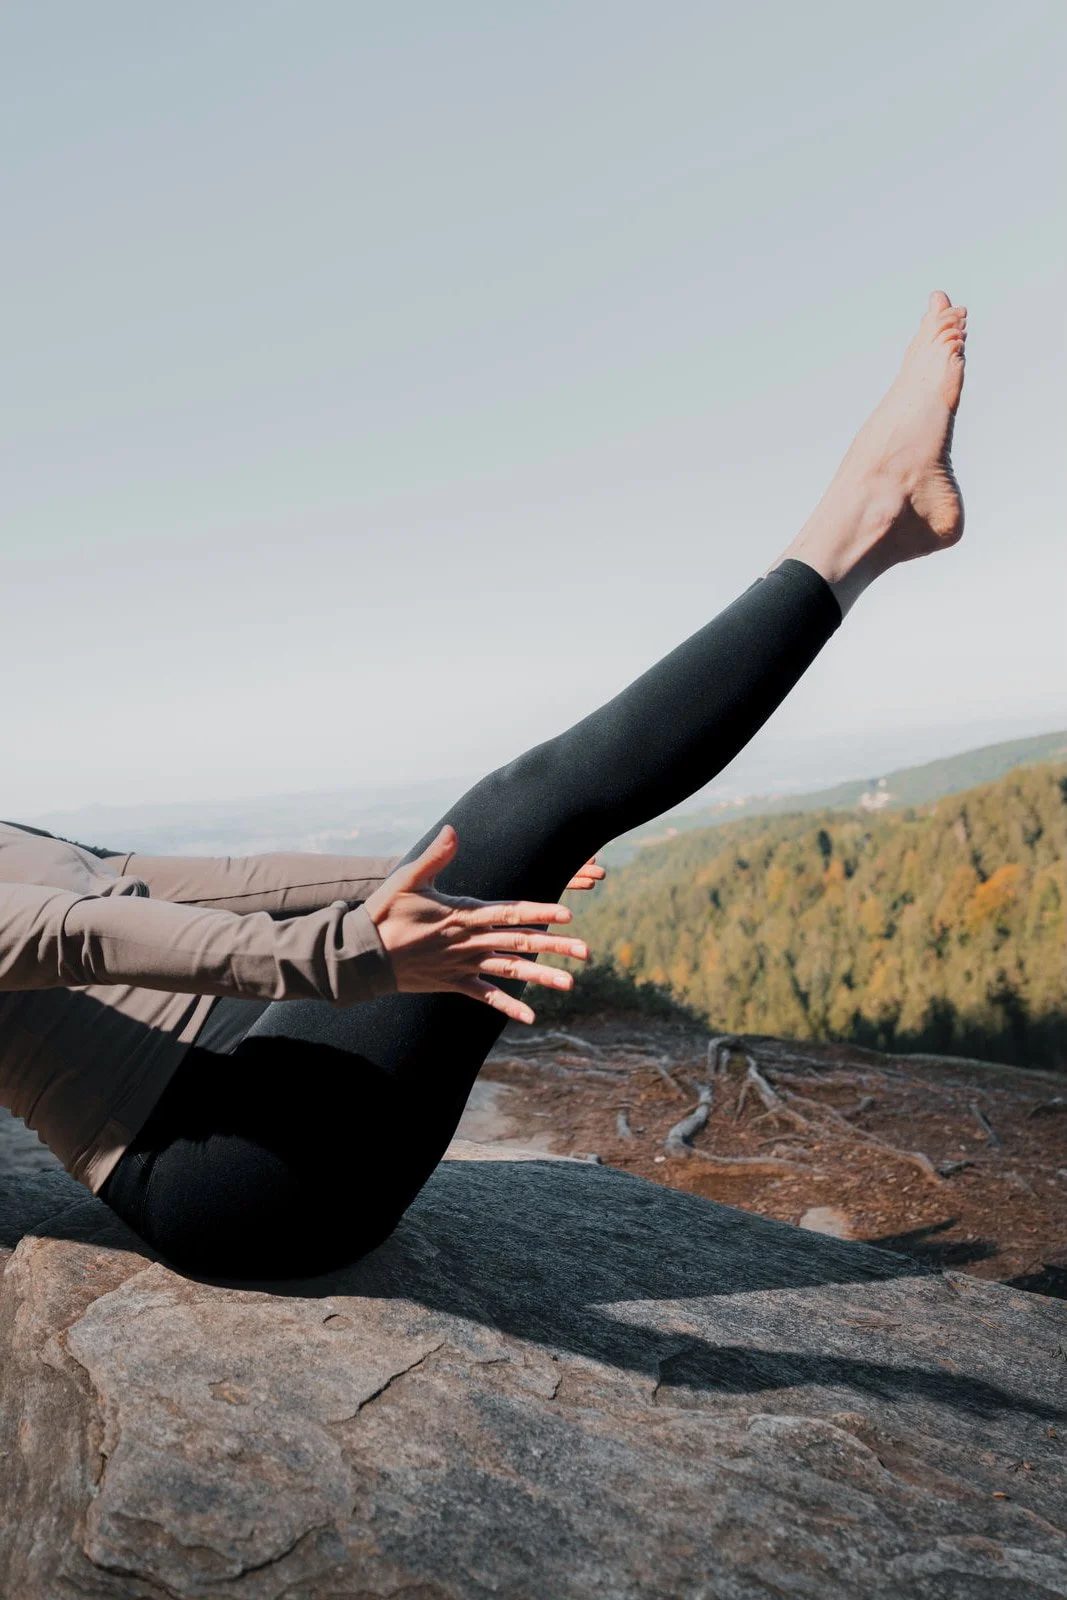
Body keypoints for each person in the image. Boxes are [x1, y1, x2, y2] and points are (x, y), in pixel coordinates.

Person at [0, 292, 967, 1280]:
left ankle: (877, 539)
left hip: (245, 1052)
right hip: (229, 1165)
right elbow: (76, 937)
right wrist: (357, 954)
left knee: (498, 821)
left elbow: (167, 882)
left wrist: (411, 873)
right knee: (527, 796)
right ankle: (864, 513)